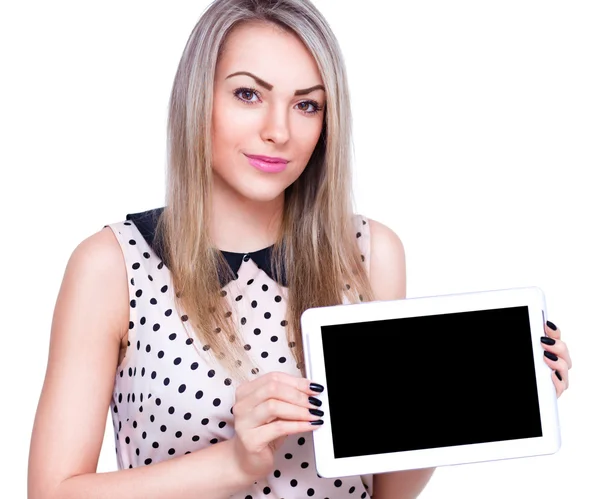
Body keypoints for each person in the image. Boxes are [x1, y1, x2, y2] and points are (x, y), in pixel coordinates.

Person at [27, 0, 572, 498]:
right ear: (199, 100)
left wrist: (486, 399)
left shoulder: (370, 255)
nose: (279, 131)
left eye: (307, 105)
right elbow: (51, 494)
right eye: (248, 94)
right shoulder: (114, 265)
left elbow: (386, 491)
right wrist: (235, 464)